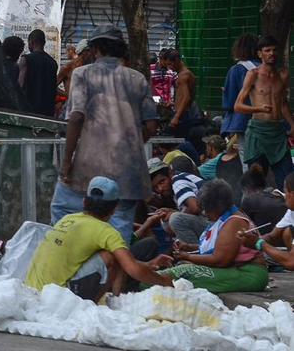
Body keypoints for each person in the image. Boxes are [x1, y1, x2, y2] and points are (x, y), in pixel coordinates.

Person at [57, 24, 157, 243]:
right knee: (118, 233)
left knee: (63, 210)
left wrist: (66, 162)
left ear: (95, 49)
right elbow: (150, 126)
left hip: (88, 169)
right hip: (129, 173)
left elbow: (76, 117)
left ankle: (77, 267)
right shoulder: (137, 79)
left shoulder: (82, 74)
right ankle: (113, 272)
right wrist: (129, 146)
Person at [26, 177, 173, 302]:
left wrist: (147, 264)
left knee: (113, 254)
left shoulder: (67, 219)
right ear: (114, 209)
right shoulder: (106, 231)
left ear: (84, 202)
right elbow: (132, 268)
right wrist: (163, 281)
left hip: (34, 291)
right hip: (59, 297)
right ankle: (102, 303)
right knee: (111, 257)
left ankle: (115, 298)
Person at [161, 179, 268, 293]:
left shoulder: (234, 222)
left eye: (208, 211)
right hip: (237, 270)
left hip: (249, 274)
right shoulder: (225, 218)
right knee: (180, 272)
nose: (205, 215)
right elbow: (218, 248)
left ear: (217, 208)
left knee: (182, 273)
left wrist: (187, 256)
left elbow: (220, 260)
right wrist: (188, 246)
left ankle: (143, 280)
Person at [234, 35, 294, 189]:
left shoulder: (283, 75)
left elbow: (283, 103)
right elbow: (238, 106)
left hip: (278, 132)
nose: (271, 53)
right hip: (258, 132)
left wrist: (293, 124)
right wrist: (258, 109)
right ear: (260, 54)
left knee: (287, 179)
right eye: (267, 50)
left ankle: (287, 211)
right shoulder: (252, 75)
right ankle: (252, 210)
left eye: (274, 50)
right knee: (255, 182)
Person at [149, 156, 208, 244]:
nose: (160, 189)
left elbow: (195, 207)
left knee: (175, 219)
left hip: (217, 222)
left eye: (162, 182)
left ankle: (194, 253)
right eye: (155, 187)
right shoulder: (176, 188)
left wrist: (173, 215)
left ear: (170, 174)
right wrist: (171, 211)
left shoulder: (177, 180)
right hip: (212, 221)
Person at [240, 173, 294, 268]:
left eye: (286, 192)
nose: (285, 196)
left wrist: (258, 243)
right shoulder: (291, 211)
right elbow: (272, 237)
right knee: (287, 232)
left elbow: (292, 262)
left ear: (292, 194)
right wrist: (250, 239)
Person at [221, 33, 260, 160]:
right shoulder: (267, 70)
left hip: (244, 121)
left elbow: (229, 102)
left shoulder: (237, 70)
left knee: (247, 159)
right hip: (267, 120)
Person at [164, 49, 204, 147]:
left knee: (181, 144)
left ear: (177, 60)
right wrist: (174, 104)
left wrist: (176, 117)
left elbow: (186, 97)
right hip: (183, 113)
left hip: (183, 115)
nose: (169, 68)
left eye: (170, 64)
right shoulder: (186, 74)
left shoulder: (183, 76)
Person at [18, 29, 58, 117]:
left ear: (31, 42)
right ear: (44, 43)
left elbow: (20, 86)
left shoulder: (26, 59)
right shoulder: (53, 62)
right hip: (48, 112)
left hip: (29, 111)